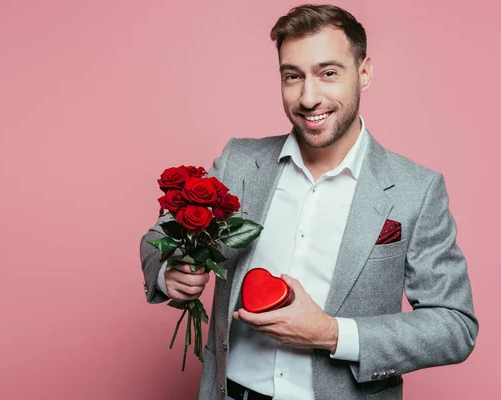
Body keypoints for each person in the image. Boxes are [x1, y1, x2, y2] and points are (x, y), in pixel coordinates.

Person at [139, 4, 478, 400]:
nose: (308, 97)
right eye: (292, 76)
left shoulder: (415, 190)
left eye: (328, 73)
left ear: (364, 73)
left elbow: (455, 325)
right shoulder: (238, 162)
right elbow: (159, 237)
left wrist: (333, 334)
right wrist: (169, 272)